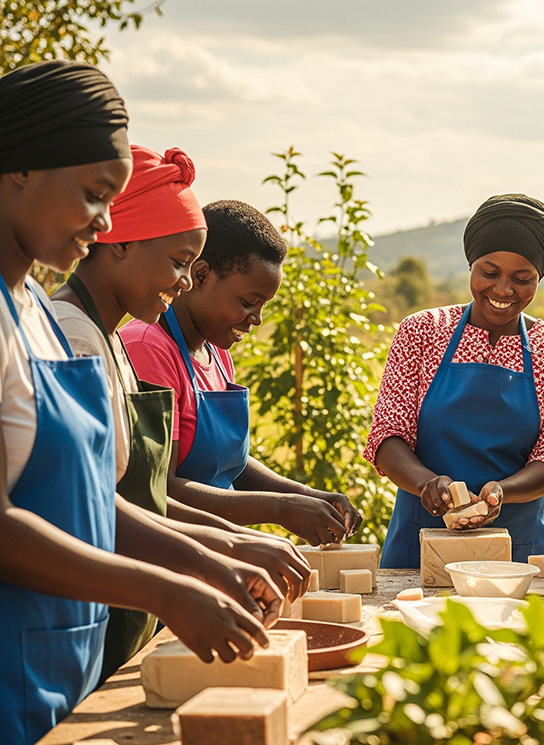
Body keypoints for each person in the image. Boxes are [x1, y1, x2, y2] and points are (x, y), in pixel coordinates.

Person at [0, 61, 274, 745]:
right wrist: (165, 589)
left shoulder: (32, 310)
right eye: (94, 194)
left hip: (63, 656)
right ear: (19, 170)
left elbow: (91, 498)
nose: (103, 220)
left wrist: (211, 562)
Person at [52, 144, 313, 682]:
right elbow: (90, 505)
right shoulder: (75, 337)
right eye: (178, 263)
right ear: (119, 242)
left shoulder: (106, 339)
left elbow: (135, 495)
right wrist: (224, 549)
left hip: (133, 594)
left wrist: (237, 545)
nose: (185, 281)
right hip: (86, 607)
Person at [119, 199, 362, 546]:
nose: (256, 319)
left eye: (263, 307)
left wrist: (307, 495)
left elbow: (232, 465)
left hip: (219, 549)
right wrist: (281, 509)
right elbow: (159, 487)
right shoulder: (148, 348)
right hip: (170, 553)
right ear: (201, 276)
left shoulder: (215, 352)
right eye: (248, 303)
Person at [366, 193, 544, 566]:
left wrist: (500, 492)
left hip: (518, 548)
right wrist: (426, 484)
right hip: (420, 541)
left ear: (539, 279)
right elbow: (389, 435)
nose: (503, 289)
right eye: (489, 272)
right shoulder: (422, 333)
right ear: (471, 266)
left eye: (522, 279)